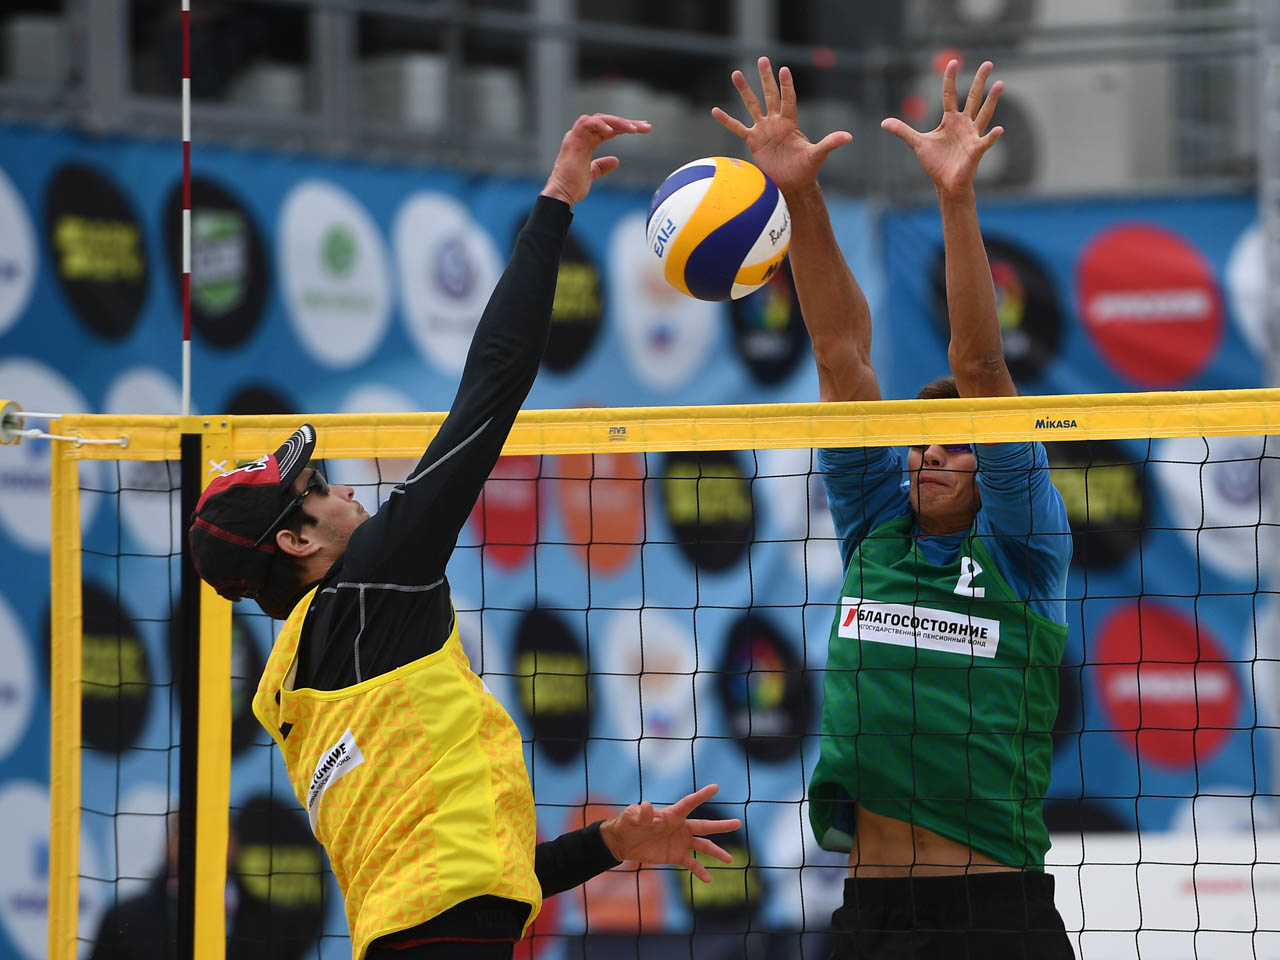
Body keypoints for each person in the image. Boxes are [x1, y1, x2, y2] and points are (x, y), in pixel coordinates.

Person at [187, 113, 742, 960]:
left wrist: (610, 845)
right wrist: (555, 204)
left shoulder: (301, 683)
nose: (344, 491)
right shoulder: (370, 586)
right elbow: (495, 379)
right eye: (317, 490)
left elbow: (482, 877)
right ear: (297, 544)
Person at [715, 59, 1074, 957]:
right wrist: (797, 194)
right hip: (870, 920)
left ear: (993, 468)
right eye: (921, 441)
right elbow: (841, 354)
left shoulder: (1024, 551)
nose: (931, 453)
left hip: (993, 919)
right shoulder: (878, 528)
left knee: (973, 377)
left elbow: (981, 369)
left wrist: (956, 198)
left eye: (956, 444)